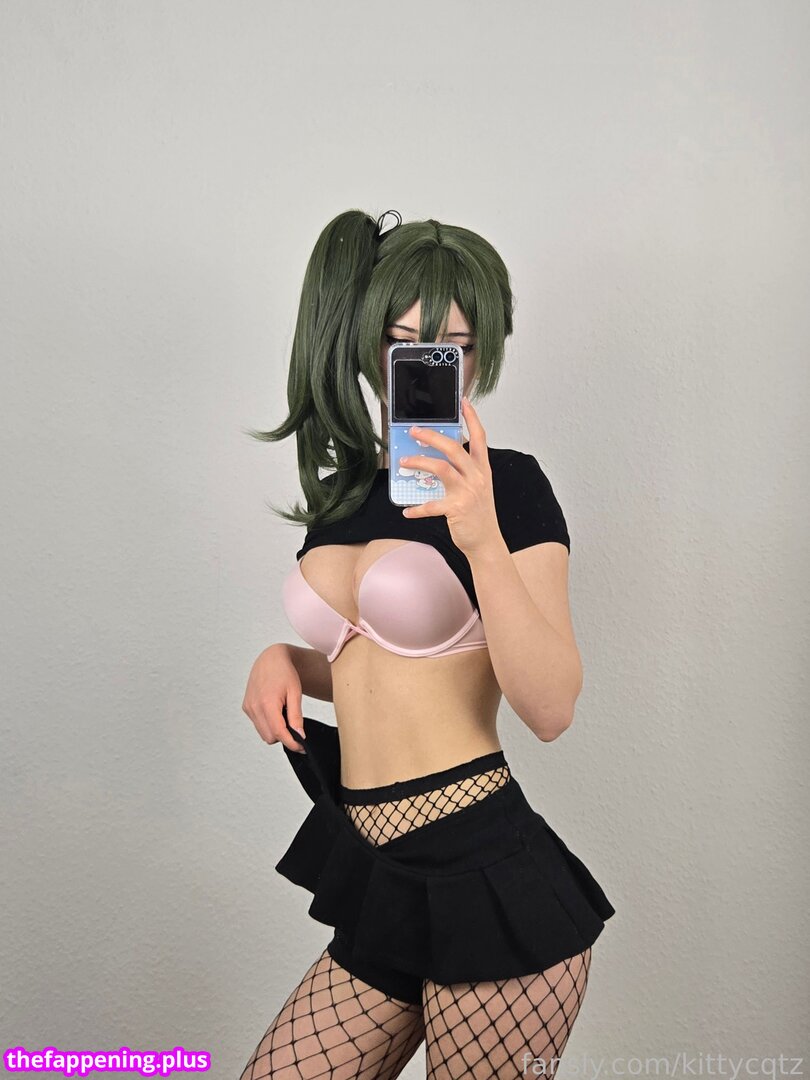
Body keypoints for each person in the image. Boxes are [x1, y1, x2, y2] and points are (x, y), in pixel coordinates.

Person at [238, 209, 616, 1079]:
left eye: (454, 347)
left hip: (482, 868)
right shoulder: (343, 495)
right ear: (369, 340)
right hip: (381, 877)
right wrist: (284, 659)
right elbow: (378, 663)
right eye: (405, 342)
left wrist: (481, 537)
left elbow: (551, 706)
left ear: (481, 357)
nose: (425, 364)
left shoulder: (510, 487)